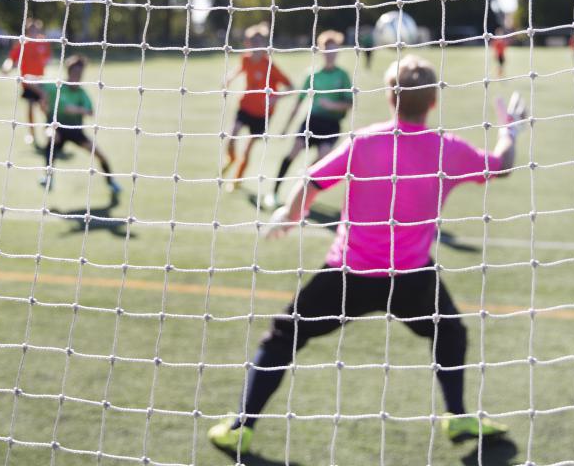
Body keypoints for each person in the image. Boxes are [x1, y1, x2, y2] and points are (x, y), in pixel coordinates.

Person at [207, 56, 527, 456]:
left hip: (349, 275)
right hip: (411, 279)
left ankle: (240, 427)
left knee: (282, 338)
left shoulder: (364, 140)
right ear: (432, 102)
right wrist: (511, 130)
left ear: (391, 98)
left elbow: (310, 181)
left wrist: (289, 216)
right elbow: (502, 165)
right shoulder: (447, 148)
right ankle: (457, 414)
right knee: (451, 333)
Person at [271, 30, 353, 203]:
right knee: (293, 152)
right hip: (312, 122)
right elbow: (298, 103)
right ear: (321, 51)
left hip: (331, 124)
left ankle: (301, 190)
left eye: (334, 50)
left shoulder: (343, 75)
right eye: (327, 50)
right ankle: (274, 192)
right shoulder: (312, 75)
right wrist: (286, 127)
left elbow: (349, 102)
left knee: (322, 160)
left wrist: (333, 106)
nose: (331, 54)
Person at [39, 55, 121, 196]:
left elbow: (90, 111)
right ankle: (48, 177)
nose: (77, 75)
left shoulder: (82, 93)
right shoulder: (57, 87)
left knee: (101, 155)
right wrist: (43, 98)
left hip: (76, 131)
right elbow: (35, 84)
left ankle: (111, 182)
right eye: (75, 72)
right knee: (51, 137)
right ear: (69, 72)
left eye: (80, 73)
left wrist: (74, 109)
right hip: (57, 128)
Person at [223, 23, 292, 190]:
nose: (255, 46)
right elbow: (241, 68)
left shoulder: (270, 66)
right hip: (245, 107)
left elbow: (291, 87)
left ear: (264, 44)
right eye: (252, 42)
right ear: (247, 43)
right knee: (231, 137)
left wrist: (276, 98)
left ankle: (237, 180)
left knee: (247, 150)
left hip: (262, 114)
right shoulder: (246, 58)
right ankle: (231, 159)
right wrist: (229, 77)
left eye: (258, 42)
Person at [2, 19, 51, 144]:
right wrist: (7, 66)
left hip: (40, 80)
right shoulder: (23, 43)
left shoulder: (43, 42)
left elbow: (48, 57)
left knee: (44, 106)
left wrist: (44, 62)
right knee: (30, 107)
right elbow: (11, 58)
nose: (33, 31)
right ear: (27, 30)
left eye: (36, 28)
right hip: (27, 82)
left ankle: (49, 129)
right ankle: (32, 134)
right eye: (31, 29)